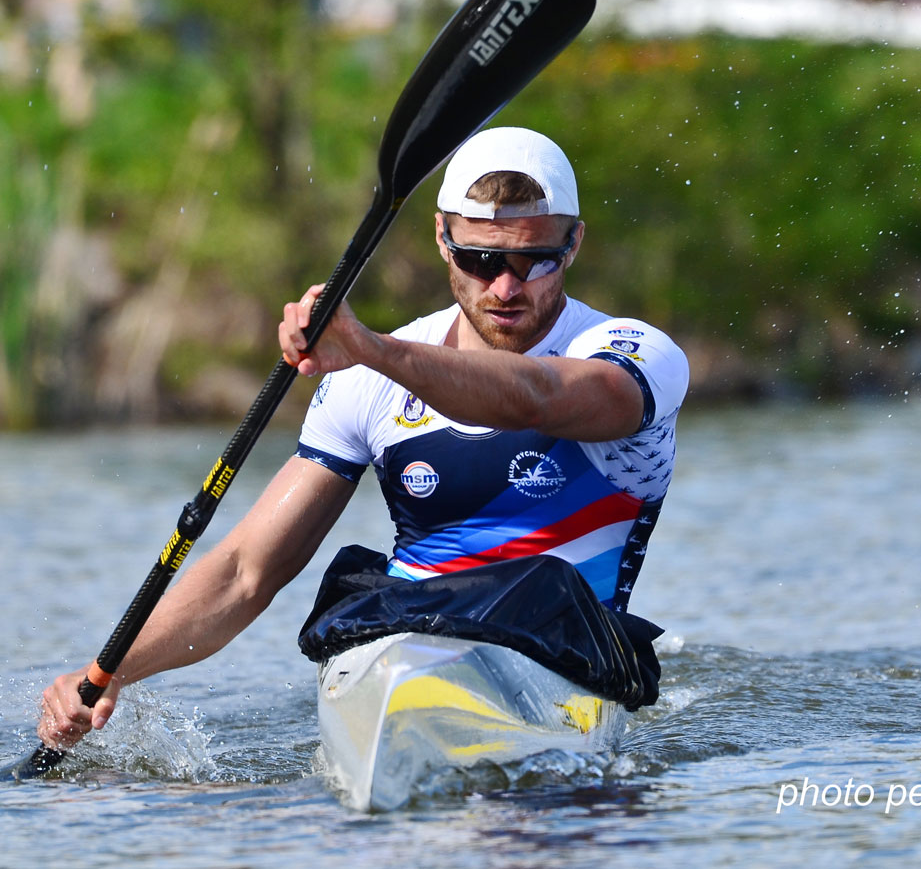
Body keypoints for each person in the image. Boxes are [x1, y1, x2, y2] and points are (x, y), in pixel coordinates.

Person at [36, 126, 689, 748]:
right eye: (481, 258)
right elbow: (244, 573)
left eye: (534, 259)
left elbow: (536, 396)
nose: (506, 286)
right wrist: (109, 672)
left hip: (568, 660)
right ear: (441, 238)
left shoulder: (631, 354)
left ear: (573, 243)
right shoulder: (369, 377)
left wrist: (373, 350)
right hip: (405, 652)